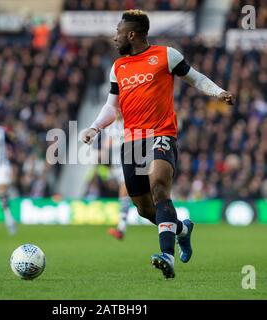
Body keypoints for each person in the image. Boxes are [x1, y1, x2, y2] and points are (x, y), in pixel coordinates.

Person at [81, 9, 235, 279]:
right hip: (131, 141)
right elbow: (111, 106)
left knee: (160, 189)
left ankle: (166, 256)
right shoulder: (118, 67)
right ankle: (182, 230)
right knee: (143, 208)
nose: (114, 38)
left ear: (131, 34)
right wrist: (95, 127)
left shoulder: (166, 55)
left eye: (118, 33)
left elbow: (195, 77)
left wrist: (218, 92)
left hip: (161, 133)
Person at [107, 115, 131, 240]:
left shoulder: (129, 122)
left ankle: (121, 227)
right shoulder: (111, 125)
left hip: (128, 161)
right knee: (124, 194)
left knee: (124, 191)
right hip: (117, 165)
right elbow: (107, 145)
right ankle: (121, 226)